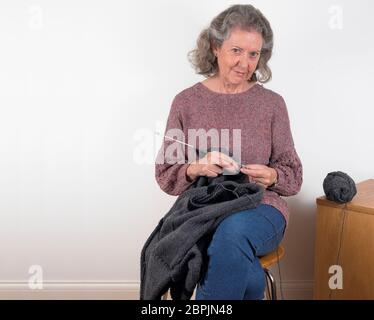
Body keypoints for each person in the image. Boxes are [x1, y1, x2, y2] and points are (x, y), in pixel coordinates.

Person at [155, 4, 303, 300]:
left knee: (231, 233)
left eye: (253, 54)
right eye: (236, 50)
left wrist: (272, 176)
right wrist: (195, 167)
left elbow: (293, 176)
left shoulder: (272, 104)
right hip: (204, 209)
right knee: (233, 258)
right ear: (215, 47)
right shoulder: (186, 102)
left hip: (261, 208)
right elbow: (165, 173)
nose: (245, 63)